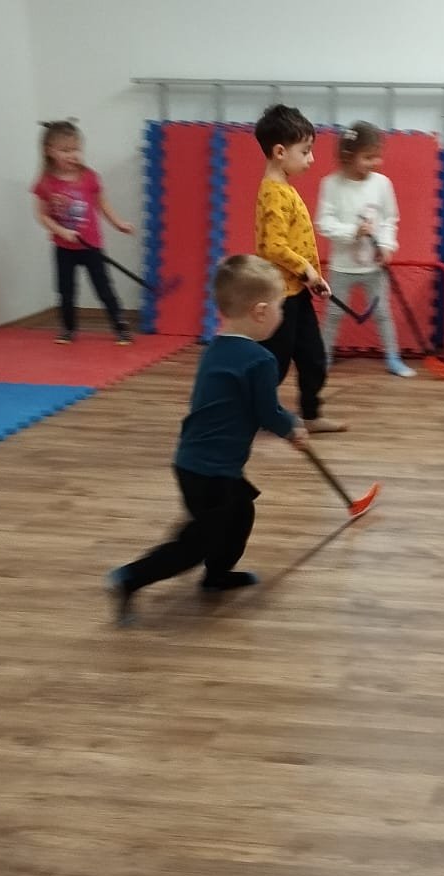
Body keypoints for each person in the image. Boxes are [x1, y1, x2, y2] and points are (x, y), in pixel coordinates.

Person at [105, 256, 307, 626]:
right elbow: (268, 413)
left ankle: (217, 575)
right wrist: (293, 428)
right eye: (280, 306)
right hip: (213, 471)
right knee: (194, 544)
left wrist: (282, 425)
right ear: (261, 311)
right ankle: (129, 578)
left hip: (195, 462)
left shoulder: (216, 348)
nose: (281, 314)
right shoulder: (260, 360)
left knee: (241, 513)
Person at [253, 104, 345, 431]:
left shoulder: (285, 189)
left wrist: (310, 278)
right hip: (280, 296)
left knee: (313, 357)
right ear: (280, 152)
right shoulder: (274, 193)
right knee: (275, 363)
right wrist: (307, 270)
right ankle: (255, 411)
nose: (311, 159)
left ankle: (311, 415)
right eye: (305, 151)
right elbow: (272, 247)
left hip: (297, 291)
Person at [316, 121, 414, 377]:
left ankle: (392, 358)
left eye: (377, 156)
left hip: (374, 267)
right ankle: (323, 357)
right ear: (348, 155)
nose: (376, 162)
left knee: (382, 313)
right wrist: (352, 231)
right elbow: (323, 223)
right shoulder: (331, 184)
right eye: (368, 157)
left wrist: (387, 245)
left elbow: (390, 219)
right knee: (334, 313)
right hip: (342, 267)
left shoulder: (382, 184)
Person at [31, 119, 133, 344]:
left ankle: (120, 327)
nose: (73, 155)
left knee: (103, 288)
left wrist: (119, 223)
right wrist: (60, 231)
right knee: (65, 291)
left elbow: (102, 204)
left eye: (76, 149)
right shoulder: (46, 183)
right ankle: (68, 329)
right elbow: (41, 215)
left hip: (91, 245)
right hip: (64, 247)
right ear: (49, 151)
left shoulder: (89, 177)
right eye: (65, 150)